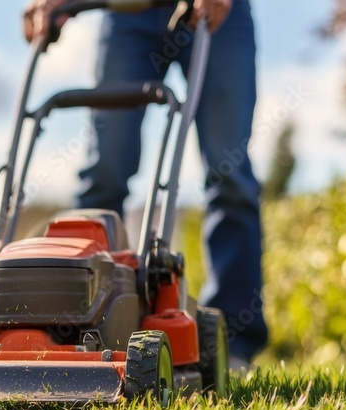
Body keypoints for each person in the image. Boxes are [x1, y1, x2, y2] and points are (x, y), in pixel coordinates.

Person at [23, 0, 267, 368]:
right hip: (125, 15)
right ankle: (75, 322)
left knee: (227, 170)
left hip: (219, 16)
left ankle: (231, 344)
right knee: (104, 171)